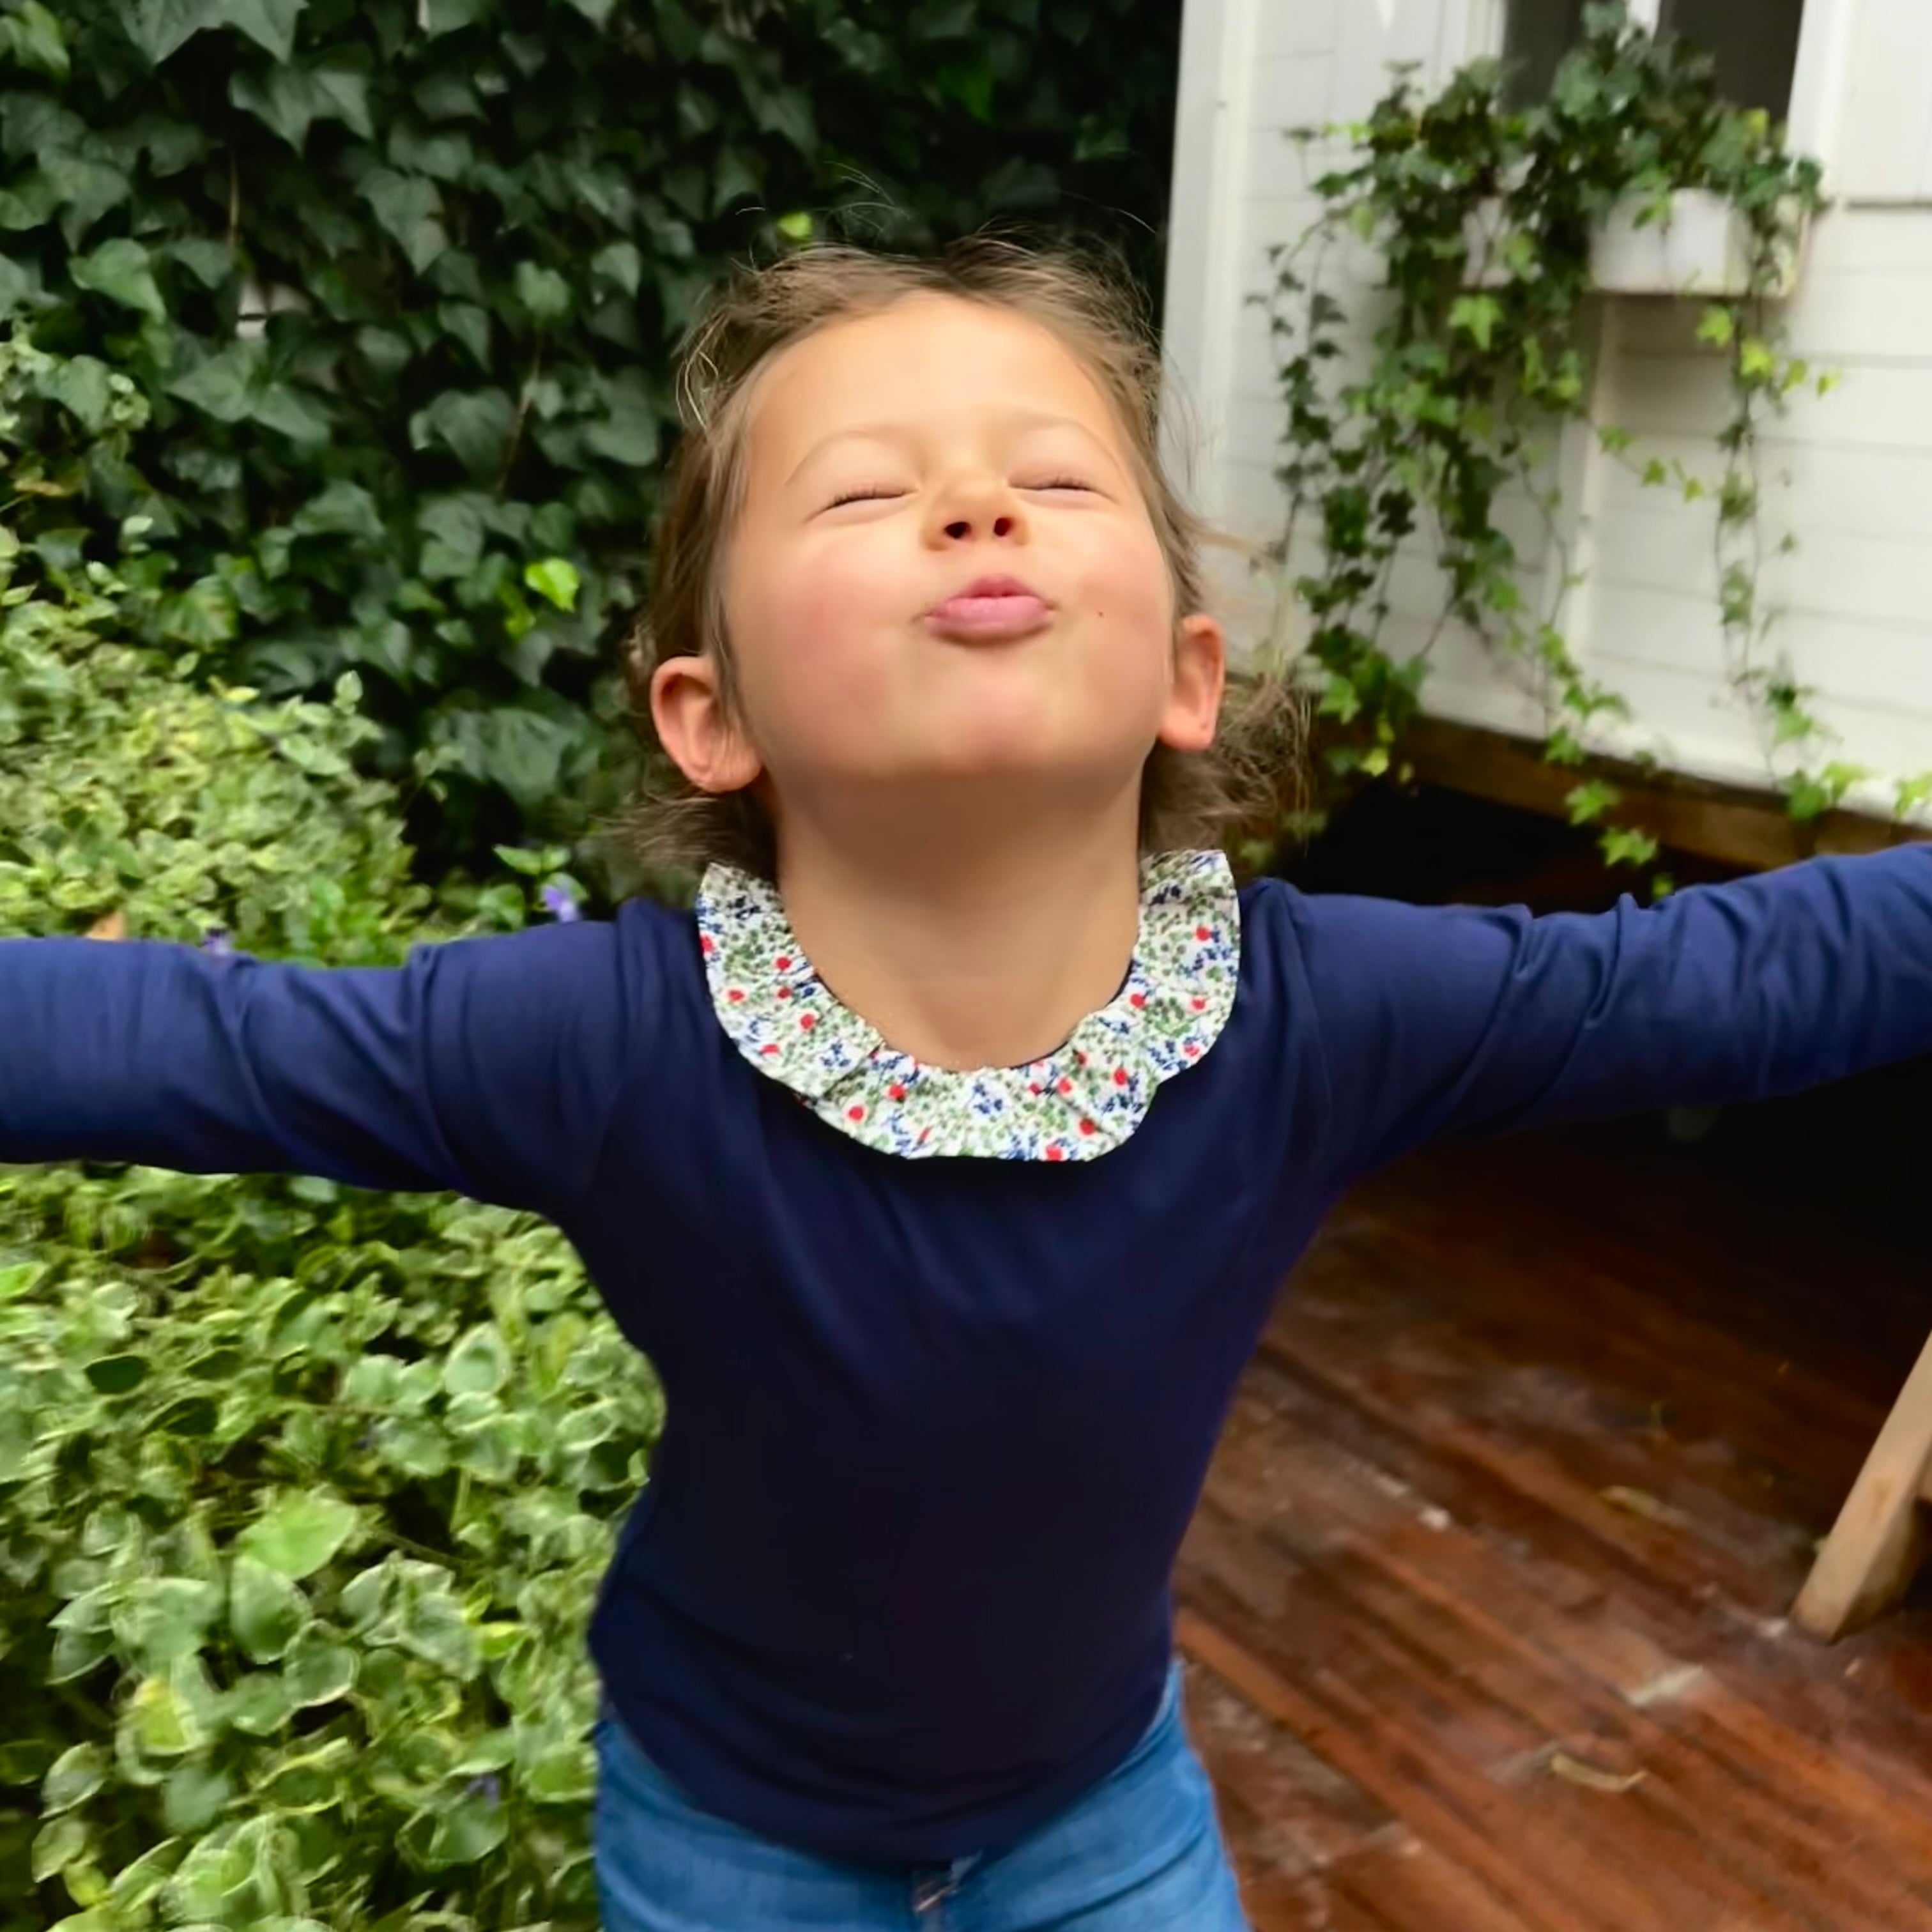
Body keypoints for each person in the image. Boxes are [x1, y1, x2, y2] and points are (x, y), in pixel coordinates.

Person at [3, 239, 1929, 1932]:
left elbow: (1729, 978)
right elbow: (204, 1039)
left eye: (1054, 477)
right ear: (715, 709)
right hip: (726, 1833)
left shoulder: (1313, 1013)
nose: (976, 513)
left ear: (1189, 672)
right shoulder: (601, 1042)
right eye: (861, 496)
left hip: (1102, 1816)